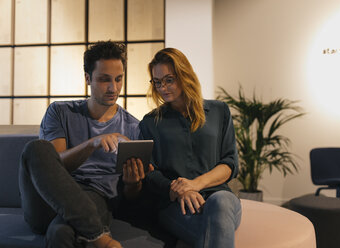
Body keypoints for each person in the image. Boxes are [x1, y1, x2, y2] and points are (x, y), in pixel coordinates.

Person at [19, 41, 150, 248]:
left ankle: (93, 232)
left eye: (118, 79)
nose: (113, 88)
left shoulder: (134, 128)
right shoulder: (60, 112)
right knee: (36, 149)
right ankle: (99, 236)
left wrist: (133, 183)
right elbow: (56, 163)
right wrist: (93, 143)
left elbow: (131, 197)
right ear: (88, 78)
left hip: (94, 198)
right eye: (104, 79)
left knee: (60, 233)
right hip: (46, 201)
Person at [139, 48, 242, 248]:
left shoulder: (219, 111)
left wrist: (195, 184)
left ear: (185, 76)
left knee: (220, 203)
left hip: (219, 197)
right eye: (157, 82)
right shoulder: (150, 122)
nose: (163, 87)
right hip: (175, 204)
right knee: (214, 232)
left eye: (169, 80)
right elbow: (150, 172)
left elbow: (230, 163)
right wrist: (179, 190)